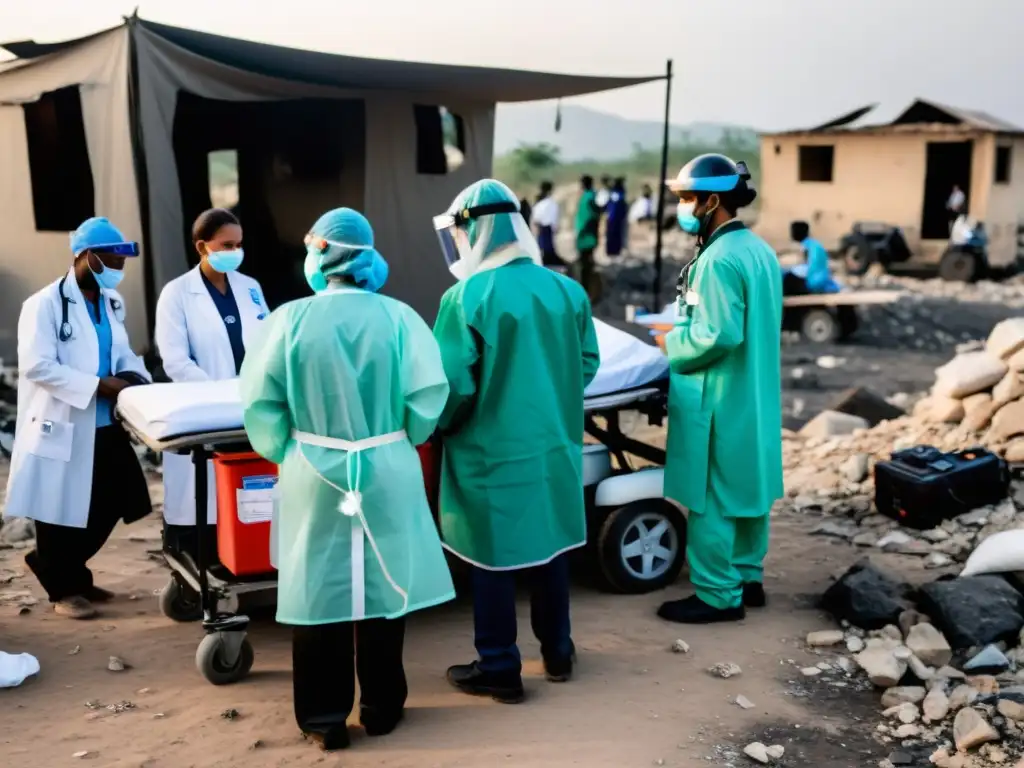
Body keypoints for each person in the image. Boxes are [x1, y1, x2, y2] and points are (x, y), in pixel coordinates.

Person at [239, 207, 454, 751]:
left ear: (316, 257)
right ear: (370, 258)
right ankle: (382, 708)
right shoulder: (401, 318)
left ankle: (322, 717)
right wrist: (400, 437)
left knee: (319, 591)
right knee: (385, 588)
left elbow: (261, 406)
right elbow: (428, 397)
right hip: (387, 467)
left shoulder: (286, 321)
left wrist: (285, 446)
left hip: (314, 468)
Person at [431, 179, 600, 703]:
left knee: (493, 558)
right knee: (550, 548)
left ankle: (500, 667)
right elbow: (587, 363)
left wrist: (440, 426)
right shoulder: (567, 290)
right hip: (552, 447)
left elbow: (453, 385)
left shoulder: (465, 297)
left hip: (491, 452)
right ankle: (558, 652)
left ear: (473, 232)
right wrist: (552, 396)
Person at [656, 154, 784, 625]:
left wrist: (671, 342)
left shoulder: (718, 261)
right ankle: (748, 577)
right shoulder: (758, 250)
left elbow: (718, 334)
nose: (684, 207)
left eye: (689, 198)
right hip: (754, 392)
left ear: (713, 200)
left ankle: (715, 594)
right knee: (749, 487)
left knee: (710, 496)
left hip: (719, 395)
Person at [4, 217, 152, 620]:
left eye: (123, 261)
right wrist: (99, 385)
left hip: (105, 421)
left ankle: (54, 564)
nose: (120, 269)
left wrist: (134, 376)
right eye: (113, 259)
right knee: (57, 510)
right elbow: (37, 366)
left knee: (126, 498)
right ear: (86, 256)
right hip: (61, 421)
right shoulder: (43, 304)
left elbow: (121, 350)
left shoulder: (110, 304)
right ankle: (65, 589)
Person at [155, 209, 269, 550]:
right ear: (203, 247)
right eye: (226, 245)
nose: (235, 251)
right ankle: (196, 558)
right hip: (204, 411)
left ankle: (244, 558)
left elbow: (267, 341)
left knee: (247, 495)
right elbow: (175, 359)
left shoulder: (250, 287)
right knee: (200, 500)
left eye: (239, 244)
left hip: (249, 407)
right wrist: (218, 394)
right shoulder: (176, 294)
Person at [782, 220, 834, 296]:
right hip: (819, 280)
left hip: (811, 283)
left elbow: (806, 267)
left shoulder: (805, 246)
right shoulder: (814, 244)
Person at [574, 175, 601, 299]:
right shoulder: (587, 196)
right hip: (584, 236)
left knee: (586, 265)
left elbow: (591, 216)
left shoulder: (590, 197)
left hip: (586, 237)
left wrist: (583, 230)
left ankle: (587, 291)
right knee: (585, 264)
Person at [530, 180, 564, 267]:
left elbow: (535, 219)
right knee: (548, 251)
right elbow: (554, 220)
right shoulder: (551, 203)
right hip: (547, 230)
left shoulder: (539, 203)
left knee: (543, 251)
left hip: (541, 230)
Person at [604, 177, 628, 257]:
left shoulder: (613, 193)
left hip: (612, 217)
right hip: (616, 218)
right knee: (615, 235)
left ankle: (612, 251)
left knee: (612, 235)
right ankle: (614, 251)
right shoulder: (619, 193)